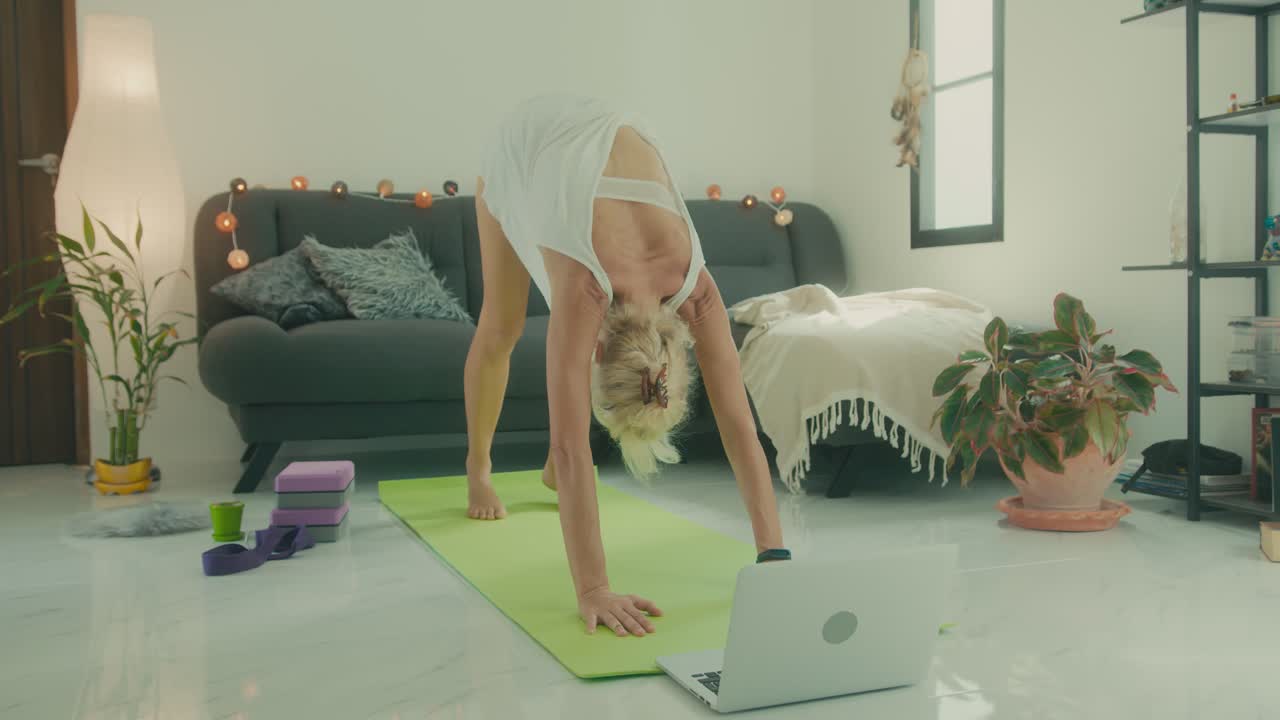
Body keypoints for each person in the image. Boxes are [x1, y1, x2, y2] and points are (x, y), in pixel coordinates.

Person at [465, 95, 786, 638]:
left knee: (547, 388)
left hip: (591, 149)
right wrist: (593, 588)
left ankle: (524, 475)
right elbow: (571, 446)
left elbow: (740, 425)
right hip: (525, 148)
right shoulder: (584, 286)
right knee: (502, 325)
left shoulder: (693, 283)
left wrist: (774, 555)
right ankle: (477, 469)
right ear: (597, 353)